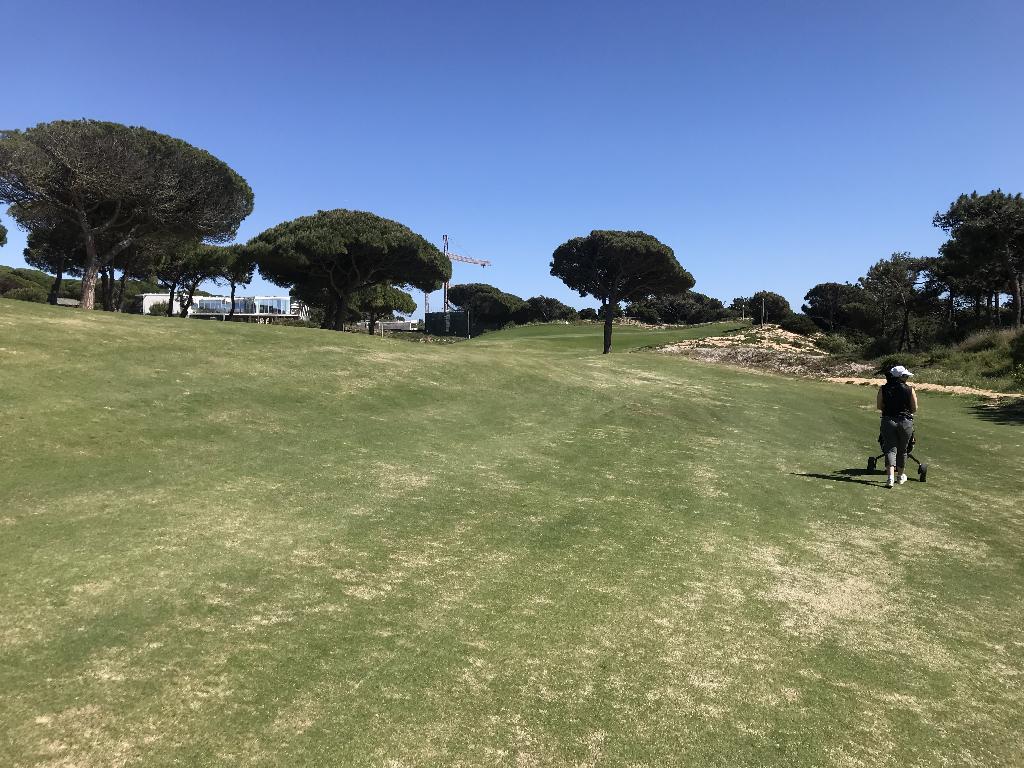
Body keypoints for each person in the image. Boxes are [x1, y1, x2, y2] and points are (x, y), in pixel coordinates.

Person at [876, 365, 918, 488]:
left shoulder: (883, 388)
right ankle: (900, 477)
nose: (907, 378)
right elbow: (914, 408)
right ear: (901, 377)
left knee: (890, 448)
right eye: (905, 376)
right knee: (902, 449)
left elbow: (879, 406)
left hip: (888, 420)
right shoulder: (910, 389)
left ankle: (890, 478)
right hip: (905, 422)